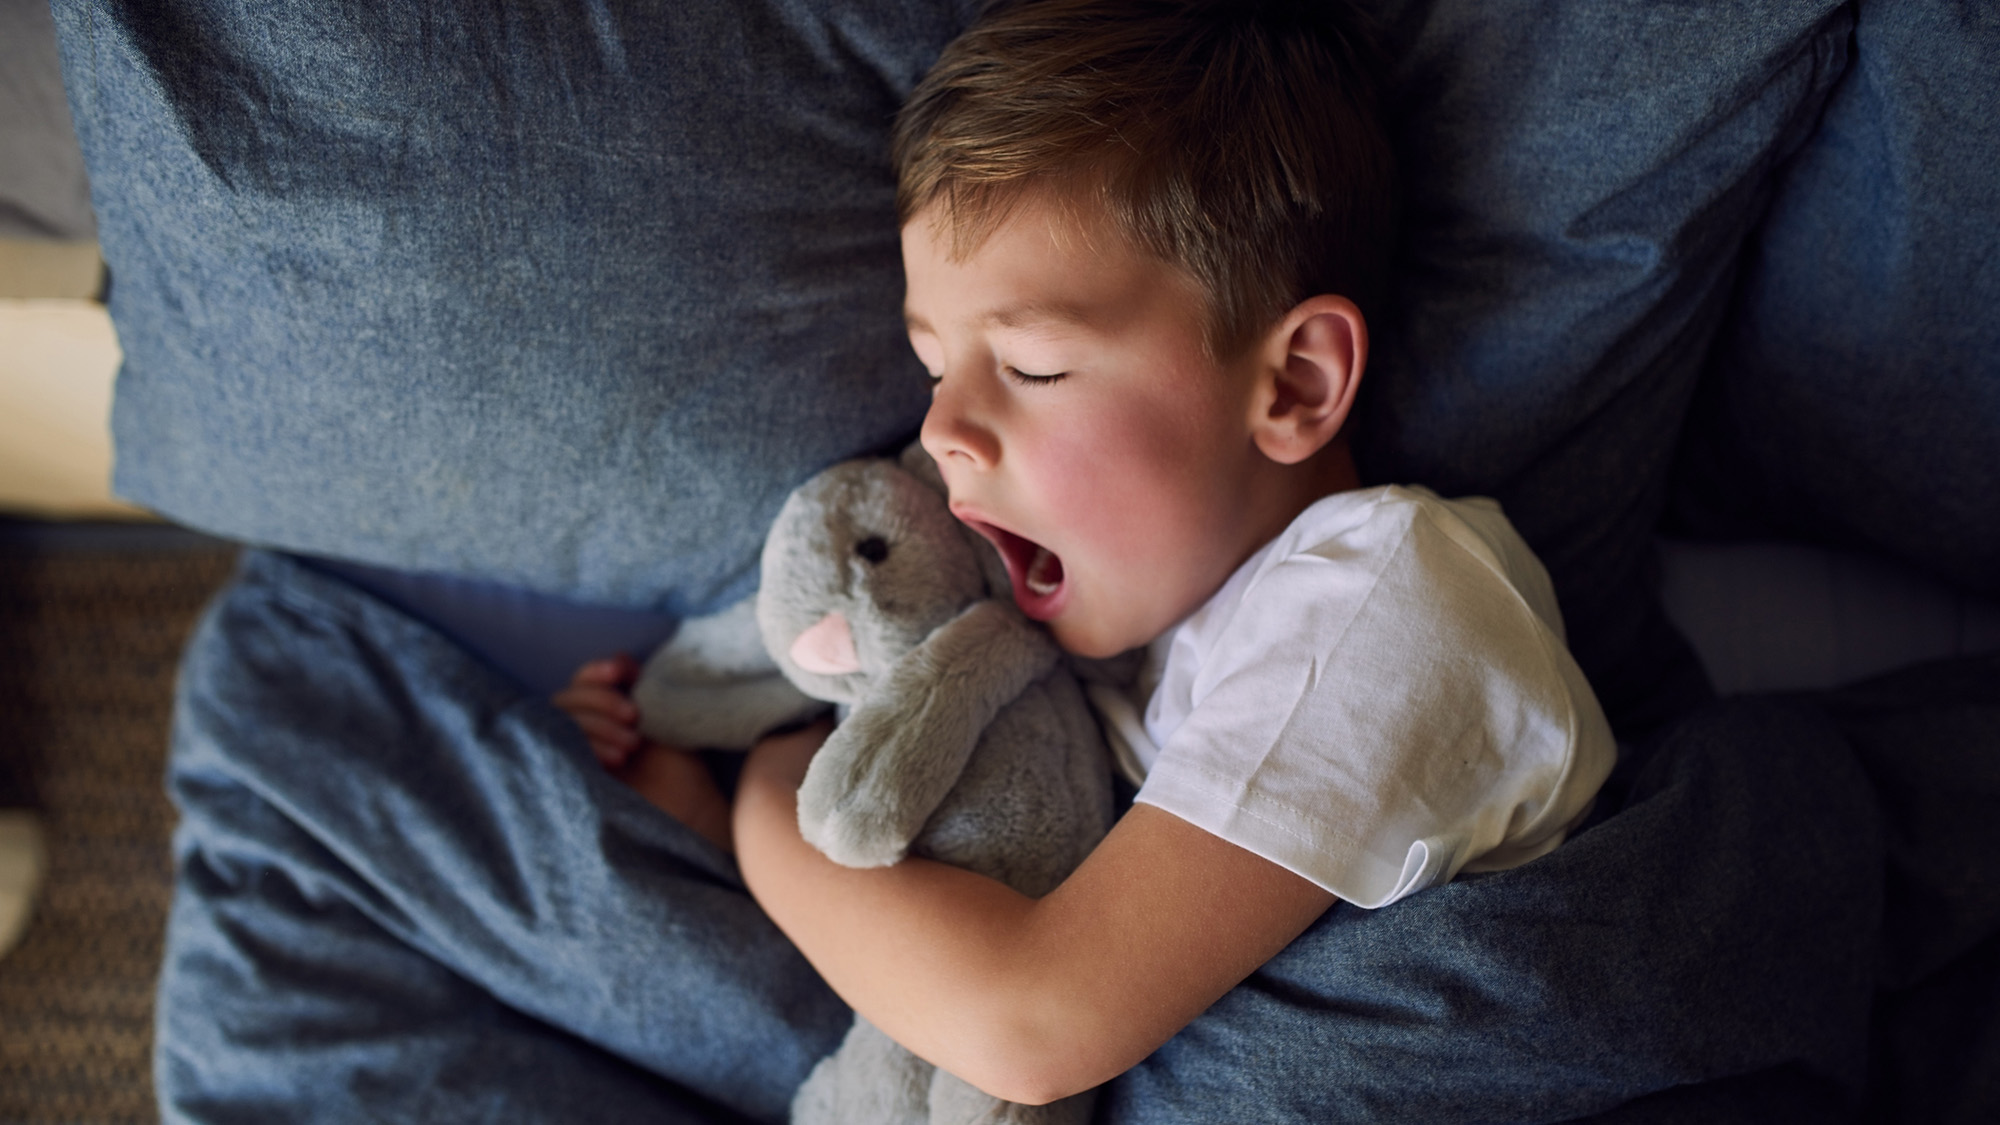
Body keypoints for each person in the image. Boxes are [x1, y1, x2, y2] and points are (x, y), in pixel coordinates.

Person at [559, 0, 1616, 1106]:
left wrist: (767, 794)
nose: (940, 431)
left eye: (1032, 366)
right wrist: (687, 809)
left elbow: (1032, 1019)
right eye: (934, 370)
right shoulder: (1103, 648)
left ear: (1295, 382)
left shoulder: (1393, 597)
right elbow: (937, 959)